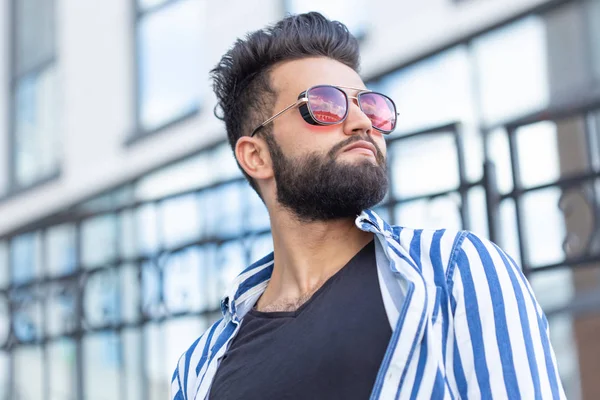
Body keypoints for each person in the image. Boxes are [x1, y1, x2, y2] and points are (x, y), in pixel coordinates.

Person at [171, 12, 565, 400]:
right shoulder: (200, 370)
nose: (362, 122)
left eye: (371, 106)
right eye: (325, 104)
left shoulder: (455, 272)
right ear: (256, 156)